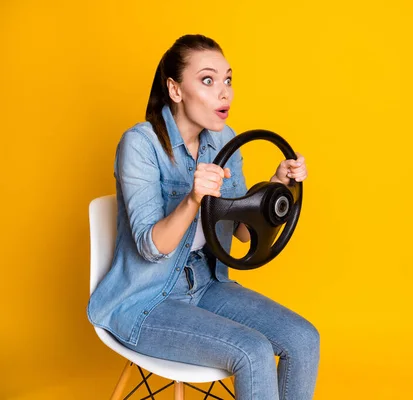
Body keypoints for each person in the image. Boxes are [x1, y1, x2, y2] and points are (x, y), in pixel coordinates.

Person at [87, 34, 320, 400]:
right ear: (175, 90)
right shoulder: (141, 145)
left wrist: (277, 189)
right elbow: (152, 247)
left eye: (228, 80)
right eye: (208, 80)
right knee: (252, 351)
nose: (223, 92)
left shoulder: (224, 140)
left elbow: (244, 233)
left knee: (304, 340)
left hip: (207, 285)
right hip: (145, 301)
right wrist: (193, 198)